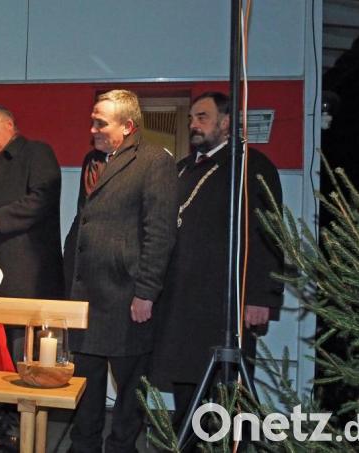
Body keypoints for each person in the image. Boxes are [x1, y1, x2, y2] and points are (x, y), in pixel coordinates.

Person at [150, 91, 284, 433]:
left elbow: (268, 233)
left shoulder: (252, 166)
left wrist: (261, 297)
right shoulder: (182, 169)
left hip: (223, 304)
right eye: (192, 118)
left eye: (203, 117)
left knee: (222, 392)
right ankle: (186, 439)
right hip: (181, 301)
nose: (194, 125)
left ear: (226, 123)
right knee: (184, 380)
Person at [64, 89, 177, 453]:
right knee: (85, 383)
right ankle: (84, 446)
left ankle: (121, 448)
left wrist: (146, 292)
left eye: (100, 122)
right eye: (92, 120)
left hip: (127, 298)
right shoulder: (92, 161)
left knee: (130, 392)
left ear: (128, 126)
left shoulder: (154, 162)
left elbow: (159, 232)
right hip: (85, 295)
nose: (92, 128)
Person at [0, 105, 64, 452]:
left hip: (29, 274)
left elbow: (41, 200)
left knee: (23, 350)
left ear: (11, 124)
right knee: (2, 352)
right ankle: (10, 414)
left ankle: (18, 427)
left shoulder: (37, 152)